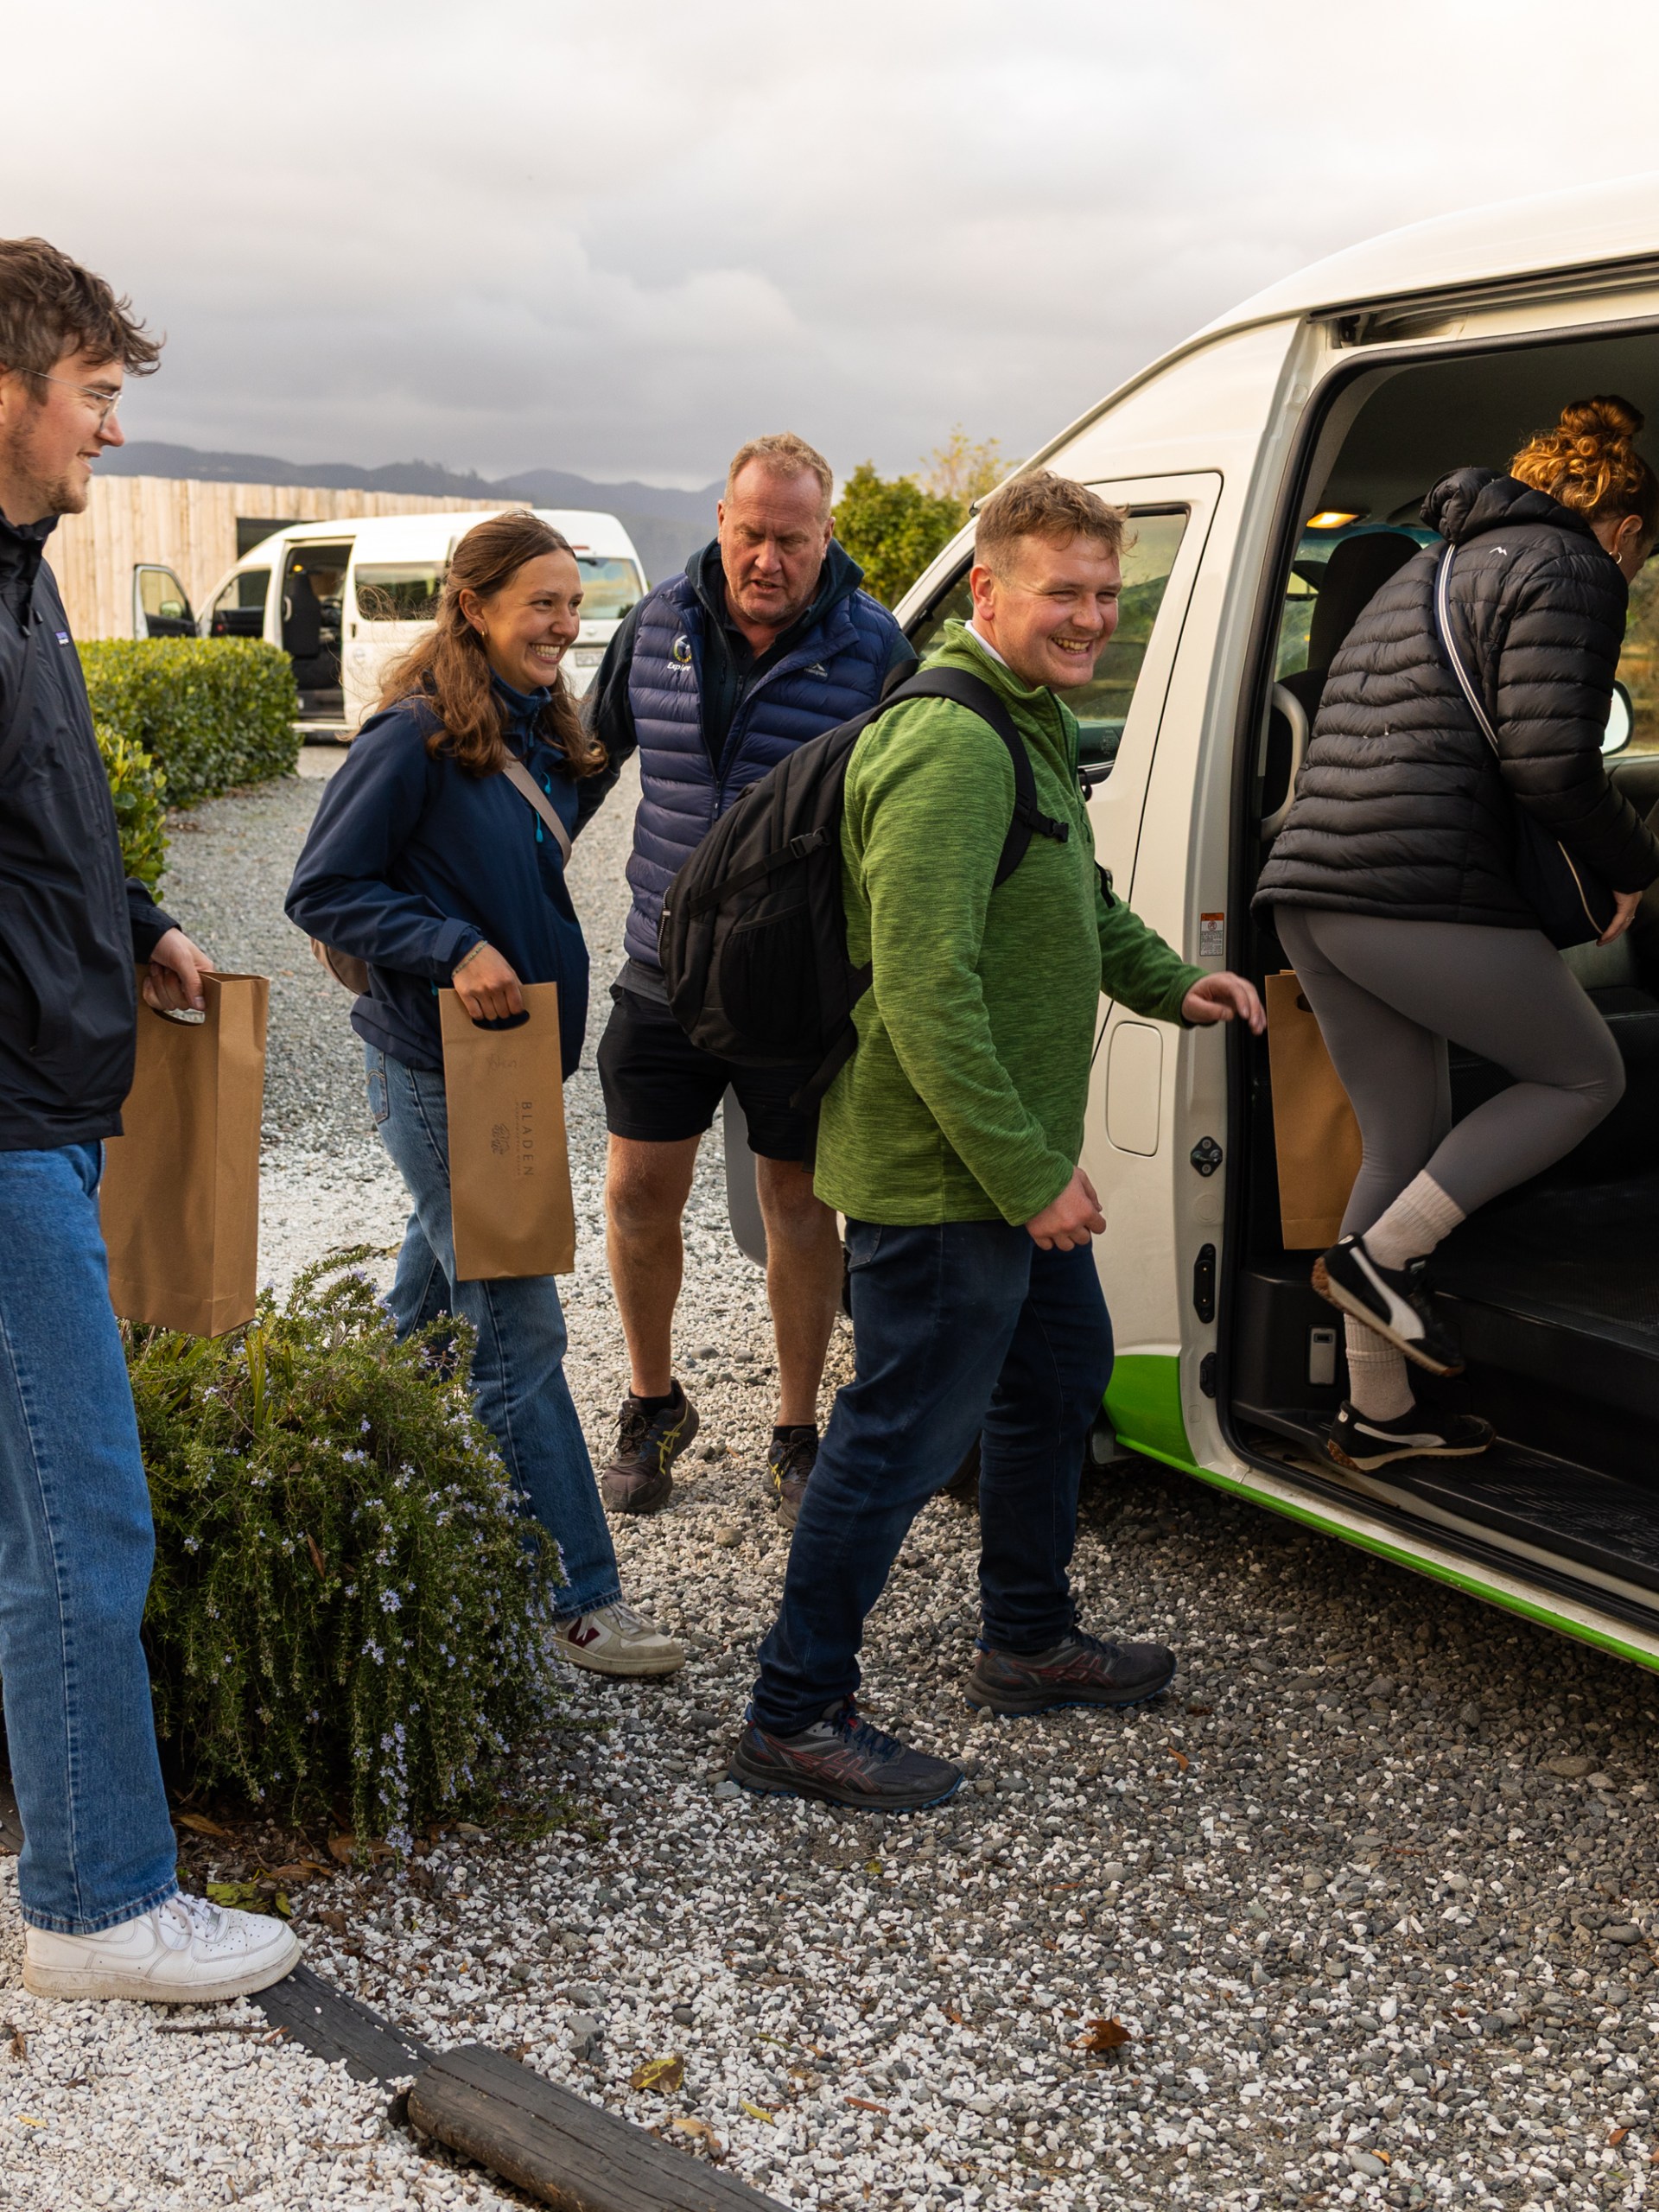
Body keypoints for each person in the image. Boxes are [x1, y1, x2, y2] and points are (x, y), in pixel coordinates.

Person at [728, 472, 1265, 1810]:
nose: (1090, 618)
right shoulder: (951, 745)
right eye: (1062, 593)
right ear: (987, 591)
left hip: (1006, 1168)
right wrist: (1031, 1177)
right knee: (898, 1435)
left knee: (1058, 1372)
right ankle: (793, 1713)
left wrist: (1166, 982)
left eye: (1104, 593)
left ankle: (1024, 1639)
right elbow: (921, 988)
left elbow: (1070, 895)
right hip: (946, 1175)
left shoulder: (1027, 722)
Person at [0, 237, 301, 2000]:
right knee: (77, 1511)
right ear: (14, 388)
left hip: (46, 1092)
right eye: (98, 397)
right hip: (6, 1121)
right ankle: (100, 1900)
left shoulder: (28, 575)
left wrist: (137, 927)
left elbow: (39, 830)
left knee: (36, 1506)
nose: (112, 434)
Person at [286, 511, 683, 1680]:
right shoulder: (410, 738)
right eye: (540, 604)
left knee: (428, 1306)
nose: (564, 626)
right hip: (438, 1070)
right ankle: (581, 1603)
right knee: (517, 1331)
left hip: (504, 1074)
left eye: (575, 604)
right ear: (473, 606)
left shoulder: (535, 730)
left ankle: (342, 1486)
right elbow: (322, 889)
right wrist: (452, 943)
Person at [1255, 396, 1659, 1473]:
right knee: (1583, 1076)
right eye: (1644, 552)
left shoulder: (1424, 567)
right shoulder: (1573, 569)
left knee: (1401, 1135)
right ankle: (1385, 1260)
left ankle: (1375, 1414)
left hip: (1312, 895)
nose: (1634, 568)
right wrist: (1635, 869)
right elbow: (1550, 764)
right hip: (1413, 895)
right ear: (1623, 527)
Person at [580, 432, 911, 1525]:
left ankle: (795, 1425)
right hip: (658, 969)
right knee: (637, 1193)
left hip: (792, 988)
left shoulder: (874, 652)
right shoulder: (657, 625)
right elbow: (579, 768)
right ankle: (651, 1402)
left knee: (796, 1206)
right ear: (722, 521)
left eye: (793, 537)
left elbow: (909, 816)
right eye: (751, 532)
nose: (768, 556)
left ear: (828, 537)